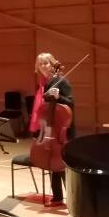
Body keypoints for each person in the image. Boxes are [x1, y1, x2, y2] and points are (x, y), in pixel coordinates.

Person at [29, 52, 75, 206]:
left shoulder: (62, 81)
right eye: (40, 64)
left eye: (46, 63)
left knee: (63, 165)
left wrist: (59, 98)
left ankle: (73, 198)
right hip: (51, 129)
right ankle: (57, 197)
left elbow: (71, 102)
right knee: (53, 162)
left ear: (52, 64)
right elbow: (45, 107)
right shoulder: (45, 83)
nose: (43, 66)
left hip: (64, 129)